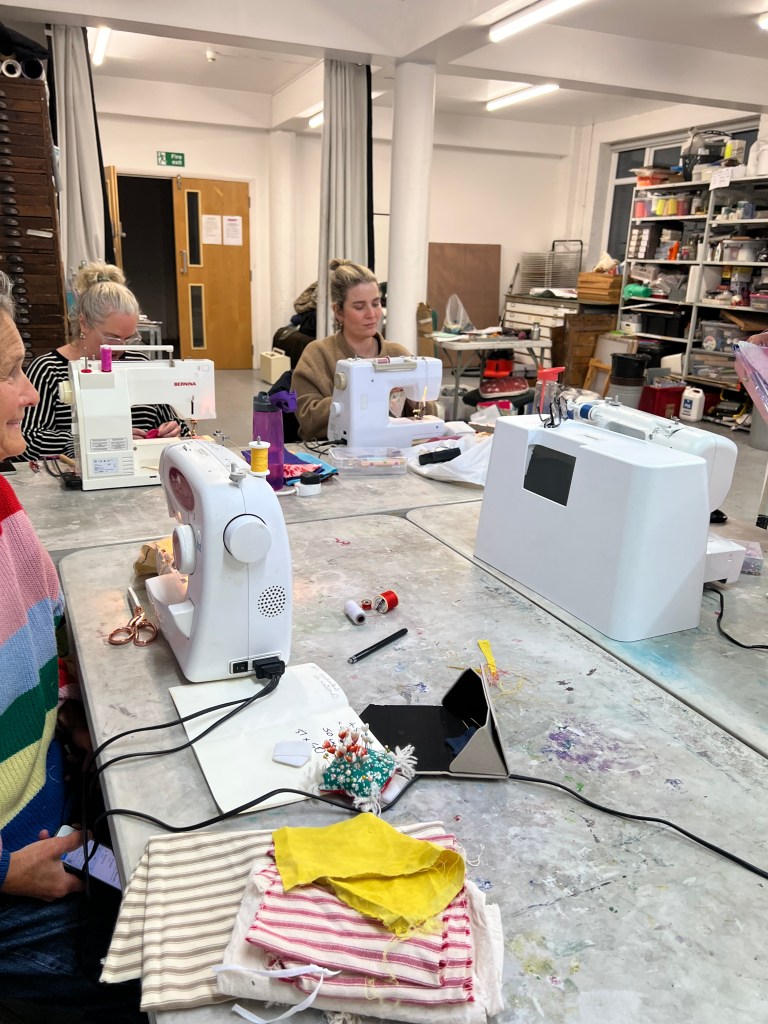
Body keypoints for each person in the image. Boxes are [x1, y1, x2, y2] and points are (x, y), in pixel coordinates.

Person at [0, 270, 145, 1021]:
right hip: (17, 868)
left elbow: (26, 652)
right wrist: (2, 872)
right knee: (148, 980)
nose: (28, 391)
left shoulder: (5, 505)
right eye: (8, 373)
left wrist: (65, 711)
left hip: (51, 802)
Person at [20, 261, 188, 462]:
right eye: (112, 338)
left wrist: (174, 429)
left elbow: (178, 425)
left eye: (129, 339)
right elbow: (28, 441)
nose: (121, 348)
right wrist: (97, 440)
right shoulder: (48, 370)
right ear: (84, 323)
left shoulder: (138, 363)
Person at [293, 259, 438, 440]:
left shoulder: (398, 354)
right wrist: (363, 394)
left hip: (392, 448)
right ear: (338, 311)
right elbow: (309, 420)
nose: (371, 314)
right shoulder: (318, 355)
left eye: (376, 304)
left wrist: (413, 399)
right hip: (332, 452)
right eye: (359, 307)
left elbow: (428, 416)